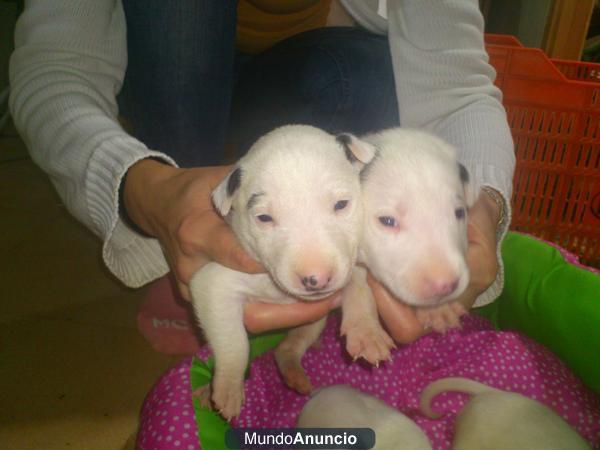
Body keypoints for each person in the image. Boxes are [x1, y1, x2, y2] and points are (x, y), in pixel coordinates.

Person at [9, 0, 515, 346]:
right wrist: (142, 189)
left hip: (297, 75)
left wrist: (476, 208)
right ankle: (183, 244)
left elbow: (457, 88)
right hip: (166, 78)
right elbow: (55, 74)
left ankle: (317, 230)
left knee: (367, 77)